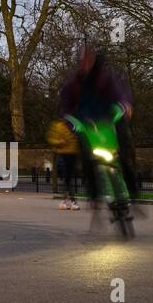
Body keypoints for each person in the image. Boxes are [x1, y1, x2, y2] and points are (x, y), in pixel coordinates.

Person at [58, 42, 135, 206]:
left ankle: (129, 191)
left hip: (106, 122)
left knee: (121, 153)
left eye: (90, 61)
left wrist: (124, 105)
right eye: (84, 61)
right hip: (87, 126)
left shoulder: (103, 79)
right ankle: (95, 193)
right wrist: (74, 124)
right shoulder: (74, 84)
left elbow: (117, 94)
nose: (87, 64)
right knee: (88, 158)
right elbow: (67, 109)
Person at [46, 117, 80, 210]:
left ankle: (66, 201)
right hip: (63, 154)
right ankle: (71, 201)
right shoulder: (58, 126)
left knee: (68, 179)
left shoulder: (74, 126)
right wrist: (61, 142)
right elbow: (51, 139)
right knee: (67, 179)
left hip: (72, 154)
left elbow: (78, 138)